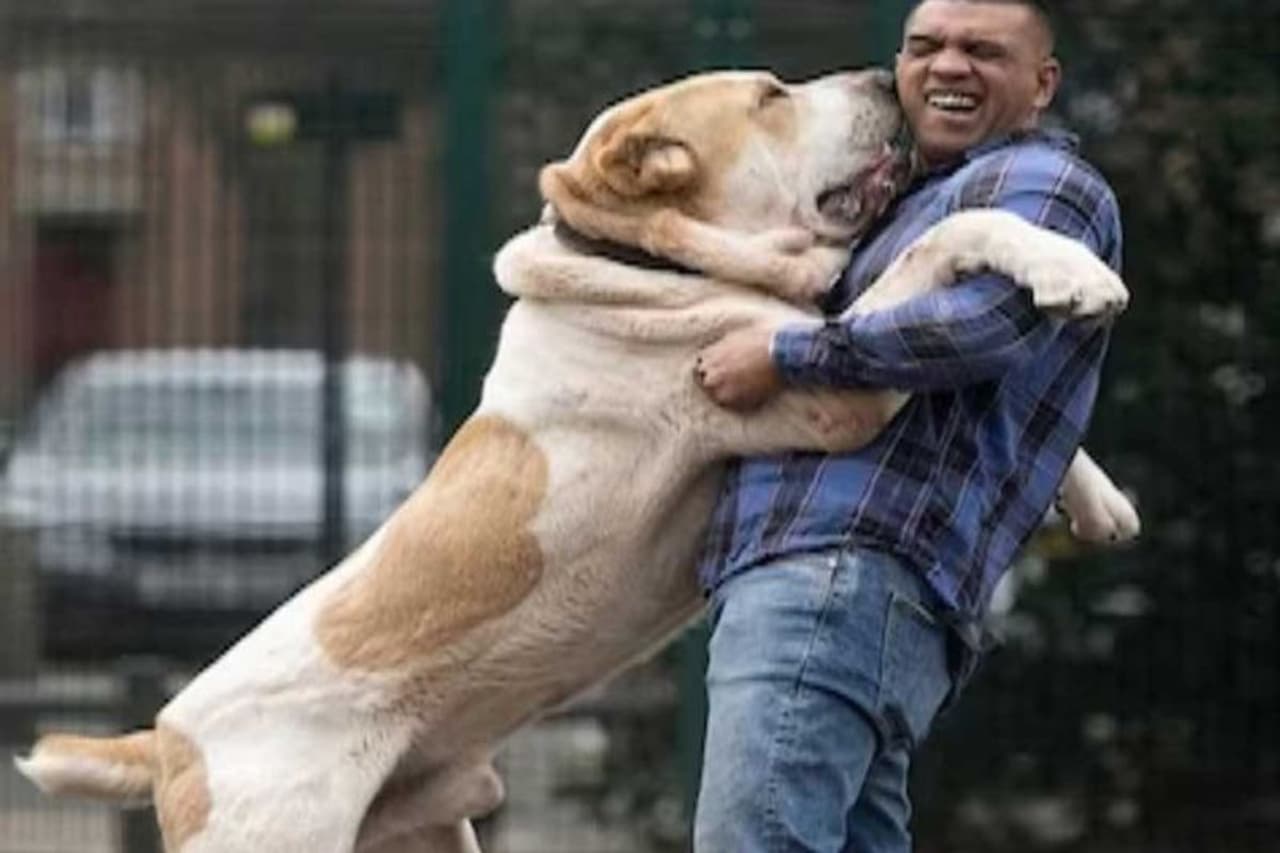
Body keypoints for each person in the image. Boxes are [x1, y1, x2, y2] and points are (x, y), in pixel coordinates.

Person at [690, 1, 1123, 850]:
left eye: (982, 51)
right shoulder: (900, 199)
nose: (948, 65)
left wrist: (783, 354)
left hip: (838, 565)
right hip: (841, 584)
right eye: (925, 46)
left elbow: (984, 325)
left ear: (1043, 84)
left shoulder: (1041, 180)